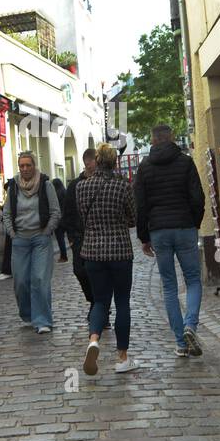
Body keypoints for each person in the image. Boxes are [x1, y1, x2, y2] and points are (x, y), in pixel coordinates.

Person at [135, 124, 206, 358]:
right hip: (185, 227)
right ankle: (190, 325)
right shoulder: (185, 162)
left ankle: (180, 342)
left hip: (159, 231)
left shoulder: (144, 167)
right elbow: (198, 197)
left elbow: (141, 205)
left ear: (153, 141)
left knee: (169, 286)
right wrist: (194, 222)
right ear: (172, 137)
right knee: (193, 279)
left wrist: (144, 236)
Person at [79, 143, 139, 375]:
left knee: (100, 301)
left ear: (96, 160)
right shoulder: (123, 186)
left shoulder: (82, 187)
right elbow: (133, 218)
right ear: (115, 161)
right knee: (122, 302)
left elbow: (83, 217)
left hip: (93, 253)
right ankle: (122, 358)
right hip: (120, 252)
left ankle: (94, 340)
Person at [1, 151, 61, 334]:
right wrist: (12, 233)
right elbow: (6, 213)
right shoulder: (13, 187)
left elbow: (55, 211)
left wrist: (47, 230)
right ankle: (28, 314)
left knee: (39, 279)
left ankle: (42, 320)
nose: (25, 169)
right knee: (20, 281)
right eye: (22, 166)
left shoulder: (45, 184)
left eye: (28, 165)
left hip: (40, 239)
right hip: (20, 240)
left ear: (34, 165)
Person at [61, 148, 98, 307]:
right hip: (80, 237)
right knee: (79, 271)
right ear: (86, 163)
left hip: (98, 236)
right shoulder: (75, 185)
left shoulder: (102, 183)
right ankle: (94, 301)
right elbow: (67, 211)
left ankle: (100, 307)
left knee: (97, 272)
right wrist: (71, 236)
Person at [51, 176, 69, 262]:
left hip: (58, 219)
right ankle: (64, 255)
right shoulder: (65, 192)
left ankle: (63, 256)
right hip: (65, 218)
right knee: (66, 238)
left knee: (60, 238)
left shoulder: (56, 194)